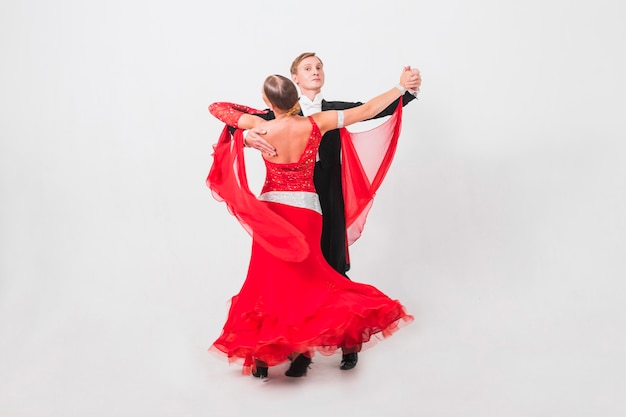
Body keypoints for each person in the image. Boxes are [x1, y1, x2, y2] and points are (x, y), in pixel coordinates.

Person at [206, 69, 416, 380]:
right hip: (307, 211)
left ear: (267, 101)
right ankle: (297, 349)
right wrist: (400, 87)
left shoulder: (260, 126)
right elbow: (369, 109)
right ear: (295, 97)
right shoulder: (318, 123)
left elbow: (217, 108)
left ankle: (264, 357)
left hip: (272, 212)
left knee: (267, 281)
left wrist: (248, 129)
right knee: (309, 279)